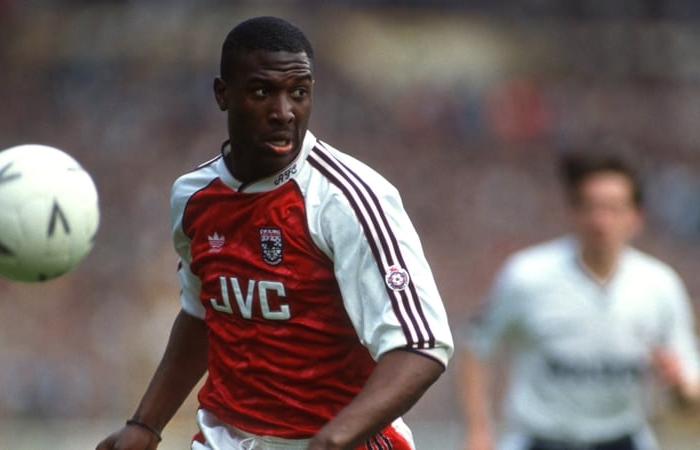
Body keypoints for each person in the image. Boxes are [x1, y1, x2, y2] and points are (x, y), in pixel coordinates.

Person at [96, 16, 453, 450]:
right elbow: (203, 313)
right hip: (225, 439)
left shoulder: (345, 200)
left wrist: (331, 439)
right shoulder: (193, 196)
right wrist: (146, 425)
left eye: (298, 93)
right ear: (223, 94)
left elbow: (422, 346)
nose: (284, 112)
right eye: (263, 92)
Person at [459, 151, 700, 450]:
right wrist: (479, 431)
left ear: (636, 218)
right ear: (572, 213)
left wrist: (678, 386)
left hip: (622, 440)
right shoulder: (527, 276)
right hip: (541, 441)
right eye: (591, 208)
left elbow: (690, 393)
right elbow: (476, 347)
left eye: (613, 208)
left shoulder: (660, 286)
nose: (601, 221)